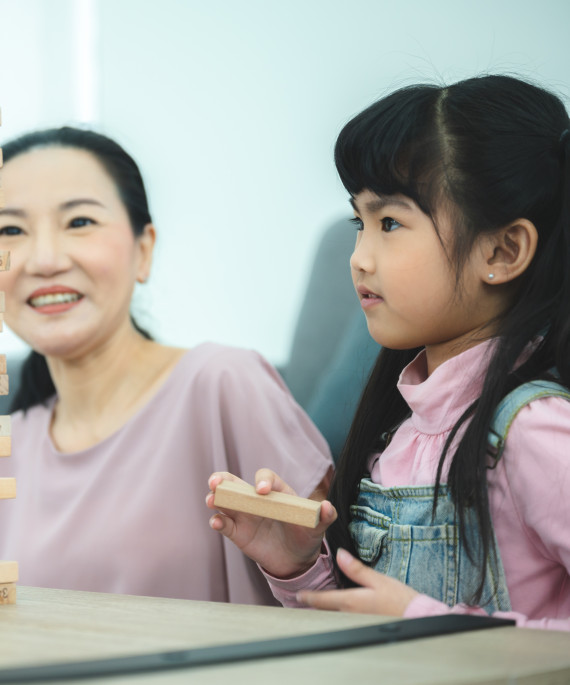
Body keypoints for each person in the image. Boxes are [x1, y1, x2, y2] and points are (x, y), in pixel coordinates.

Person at [207, 74, 570, 629]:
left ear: (503, 249)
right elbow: (372, 631)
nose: (358, 257)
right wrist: (300, 565)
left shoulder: (535, 432)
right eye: (361, 222)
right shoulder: (400, 429)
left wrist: (428, 620)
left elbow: (410, 624)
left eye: (390, 222)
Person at [0, 127, 333, 605]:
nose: (46, 259)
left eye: (79, 222)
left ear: (144, 249)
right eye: (9, 230)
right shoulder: (12, 445)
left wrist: (298, 569)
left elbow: (343, 613)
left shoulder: (224, 384)